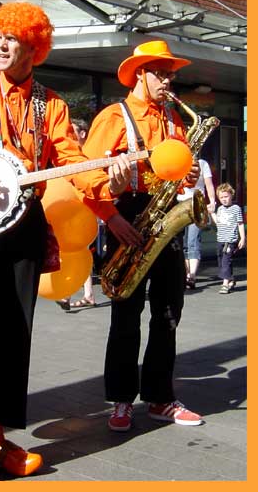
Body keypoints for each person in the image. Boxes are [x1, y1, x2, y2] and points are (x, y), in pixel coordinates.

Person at [0, 2, 135, 480]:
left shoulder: (50, 105)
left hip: (27, 225)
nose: (2, 44)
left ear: (34, 49)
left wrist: (109, 195)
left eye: (13, 39)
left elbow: (74, 165)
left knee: (17, 336)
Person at [82, 40, 203, 431]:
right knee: (125, 316)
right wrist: (112, 218)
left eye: (171, 74)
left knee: (168, 314)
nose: (169, 80)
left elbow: (180, 172)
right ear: (140, 74)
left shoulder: (174, 120)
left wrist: (191, 176)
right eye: (162, 73)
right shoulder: (112, 118)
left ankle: (160, 397)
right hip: (129, 217)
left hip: (165, 215)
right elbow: (86, 178)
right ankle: (120, 400)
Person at [56, 118, 96, 310]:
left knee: (78, 249)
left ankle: (68, 293)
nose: (69, 136)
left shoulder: (88, 154)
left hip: (84, 208)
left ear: (82, 134)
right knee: (77, 249)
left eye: (73, 132)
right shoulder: (66, 155)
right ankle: (86, 294)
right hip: (71, 208)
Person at [177, 158, 216, 289]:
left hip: (196, 205)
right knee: (181, 242)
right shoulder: (178, 161)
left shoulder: (203, 163)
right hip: (179, 205)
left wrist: (212, 202)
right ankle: (185, 273)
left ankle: (191, 276)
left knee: (193, 241)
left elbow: (209, 184)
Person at [211, 183, 246, 294]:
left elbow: (240, 224)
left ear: (231, 195)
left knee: (226, 260)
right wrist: (212, 213)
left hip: (230, 240)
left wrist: (243, 238)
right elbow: (218, 223)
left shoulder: (236, 208)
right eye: (221, 197)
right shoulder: (220, 209)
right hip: (220, 239)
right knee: (221, 261)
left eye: (226, 196)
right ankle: (230, 279)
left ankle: (225, 284)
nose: (224, 199)